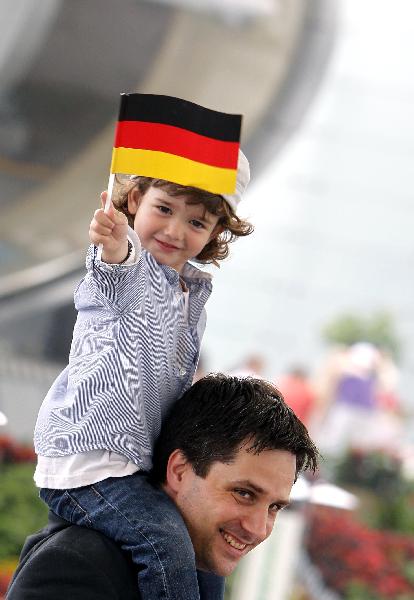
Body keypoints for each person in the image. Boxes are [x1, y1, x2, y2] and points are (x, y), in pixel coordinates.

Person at [33, 150, 253, 600]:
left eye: (197, 222)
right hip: (91, 465)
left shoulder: (191, 292)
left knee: (203, 554)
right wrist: (114, 243)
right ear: (134, 199)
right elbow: (117, 269)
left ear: (214, 233)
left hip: (137, 467)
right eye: (164, 209)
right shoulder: (127, 267)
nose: (175, 230)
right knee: (165, 543)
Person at [9, 374, 319, 599]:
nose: (258, 528)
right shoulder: (78, 565)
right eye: (244, 493)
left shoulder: (200, 571)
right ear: (179, 470)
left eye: (275, 507)